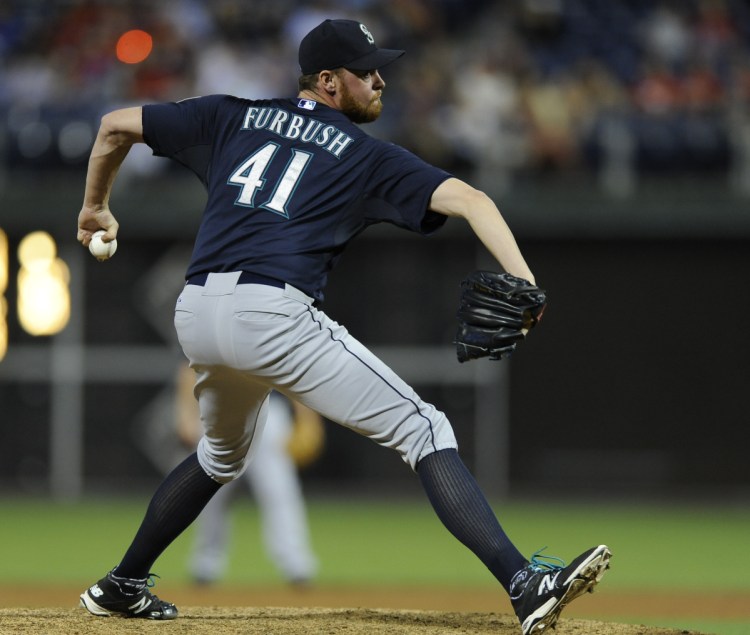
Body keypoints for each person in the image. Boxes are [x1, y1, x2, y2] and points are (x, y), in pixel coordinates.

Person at [77, 19, 611, 634]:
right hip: (269, 312)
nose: (381, 78)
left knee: (221, 456)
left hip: (196, 310)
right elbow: (473, 200)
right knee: (423, 428)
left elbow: (114, 124)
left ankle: (121, 585)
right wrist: (525, 279)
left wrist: (95, 206)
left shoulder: (232, 114)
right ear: (328, 82)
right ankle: (524, 583)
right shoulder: (363, 153)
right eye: (367, 70)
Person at [174, 363, 321, 587]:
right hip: (216, 411)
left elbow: (293, 367)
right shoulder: (210, 327)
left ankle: (296, 563)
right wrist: (186, 414)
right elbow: (189, 365)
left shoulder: (270, 327)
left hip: (270, 412)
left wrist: (308, 418)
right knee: (210, 494)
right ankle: (205, 564)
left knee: (279, 491)